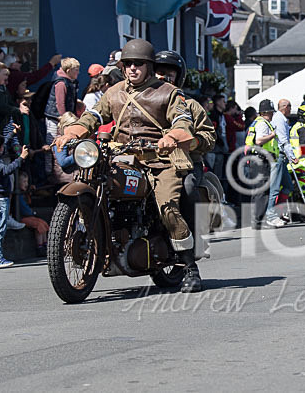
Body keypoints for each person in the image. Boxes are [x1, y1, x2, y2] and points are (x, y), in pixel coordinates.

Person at [54, 39, 202, 293]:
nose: (133, 68)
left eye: (139, 63)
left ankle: (189, 267)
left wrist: (172, 137)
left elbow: (182, 120)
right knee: (97, 179)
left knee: (167, 206)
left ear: (149, 65)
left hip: (159, 161)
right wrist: (74, 131)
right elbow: (95, 115)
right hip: (121, 157)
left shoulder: (168, 92)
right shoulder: (114, 92)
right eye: (128, 64)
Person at [155, 50, 217, 242]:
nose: (164, 77)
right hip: (149, 162)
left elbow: (209, 136)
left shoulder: (190, 105)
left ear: (177, 78)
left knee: (188, 186)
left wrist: (190, 142)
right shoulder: (142, 103)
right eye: (159, 72)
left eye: (169, 74)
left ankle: (192, 241)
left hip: (186, 163)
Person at [0, 130, 30, 268]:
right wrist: (21, 158)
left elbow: (2, 142)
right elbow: (6, 169)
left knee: (0, 227)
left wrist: (13, 133)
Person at [245, 99, 280, 228]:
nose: (272, 115)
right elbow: (259, 140)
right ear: (267, 112)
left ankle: (256, 220)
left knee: (257, 191)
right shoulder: (263, 124)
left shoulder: (256, 122)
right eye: (271, 112)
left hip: (255, 160)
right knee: (262, 191)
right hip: (261, 160)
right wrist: (272, 135)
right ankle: (258, 221)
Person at [43, 57, 80, 173]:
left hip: (63, 119)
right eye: (76, 70)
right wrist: (64, 119)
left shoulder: (70, 82)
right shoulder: (61, 83)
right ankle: (50, 171)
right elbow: (60, 103)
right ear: (68, 71)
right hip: (55, 119)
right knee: (53, 144)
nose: (78, 73)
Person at [265, 98, 297, 226]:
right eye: (290, 106)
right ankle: (271, 215)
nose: (291, 109)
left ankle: (278, 211)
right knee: (275, 188)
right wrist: (292, 156)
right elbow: (284, 141)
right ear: (285, 107)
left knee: (288, 186)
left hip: (282, 157)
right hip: (278, 156)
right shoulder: (279, 119)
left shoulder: (282, 119)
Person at [16, 171, 49, 256]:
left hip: (29, 216)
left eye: (26, 182)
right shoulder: (18, 195)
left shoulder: (25, 193)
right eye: (24, 182)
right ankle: (40, 247)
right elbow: (24, 209)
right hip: (23, 217)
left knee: (44, 223)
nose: (26, 184)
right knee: (38, 225)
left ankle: (45, 244)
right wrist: (33, 212)